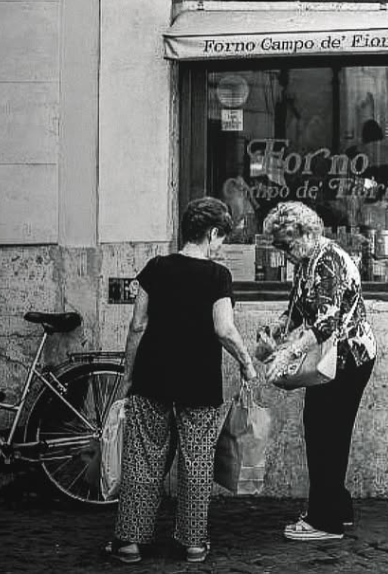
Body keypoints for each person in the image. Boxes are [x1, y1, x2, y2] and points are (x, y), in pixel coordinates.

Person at [105, 197, 257, 564]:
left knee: (142, 460)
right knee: (197, 462)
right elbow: (224, 328)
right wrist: (246, 363)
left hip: (153, 376)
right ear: (211, 233)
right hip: (199, 383)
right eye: (221, 238)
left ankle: (129, 542)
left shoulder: (155, 268)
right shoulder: (218, 276)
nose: (221, 246)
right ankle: (192, 543)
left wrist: (128, 377)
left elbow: (137, 325)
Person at [258, 201, 377, 541]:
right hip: (334, 360)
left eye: (288, 244)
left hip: (348, 360)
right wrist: (279, 330)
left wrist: (288, 354)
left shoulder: (329, 261)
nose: (285, 253)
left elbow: (326, 322)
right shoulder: (308, 261)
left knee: (326, 435)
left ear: (308, 234)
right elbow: (298, 308)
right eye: (279, 246)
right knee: (324, 431)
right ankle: (337, 507)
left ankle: (326, 522)